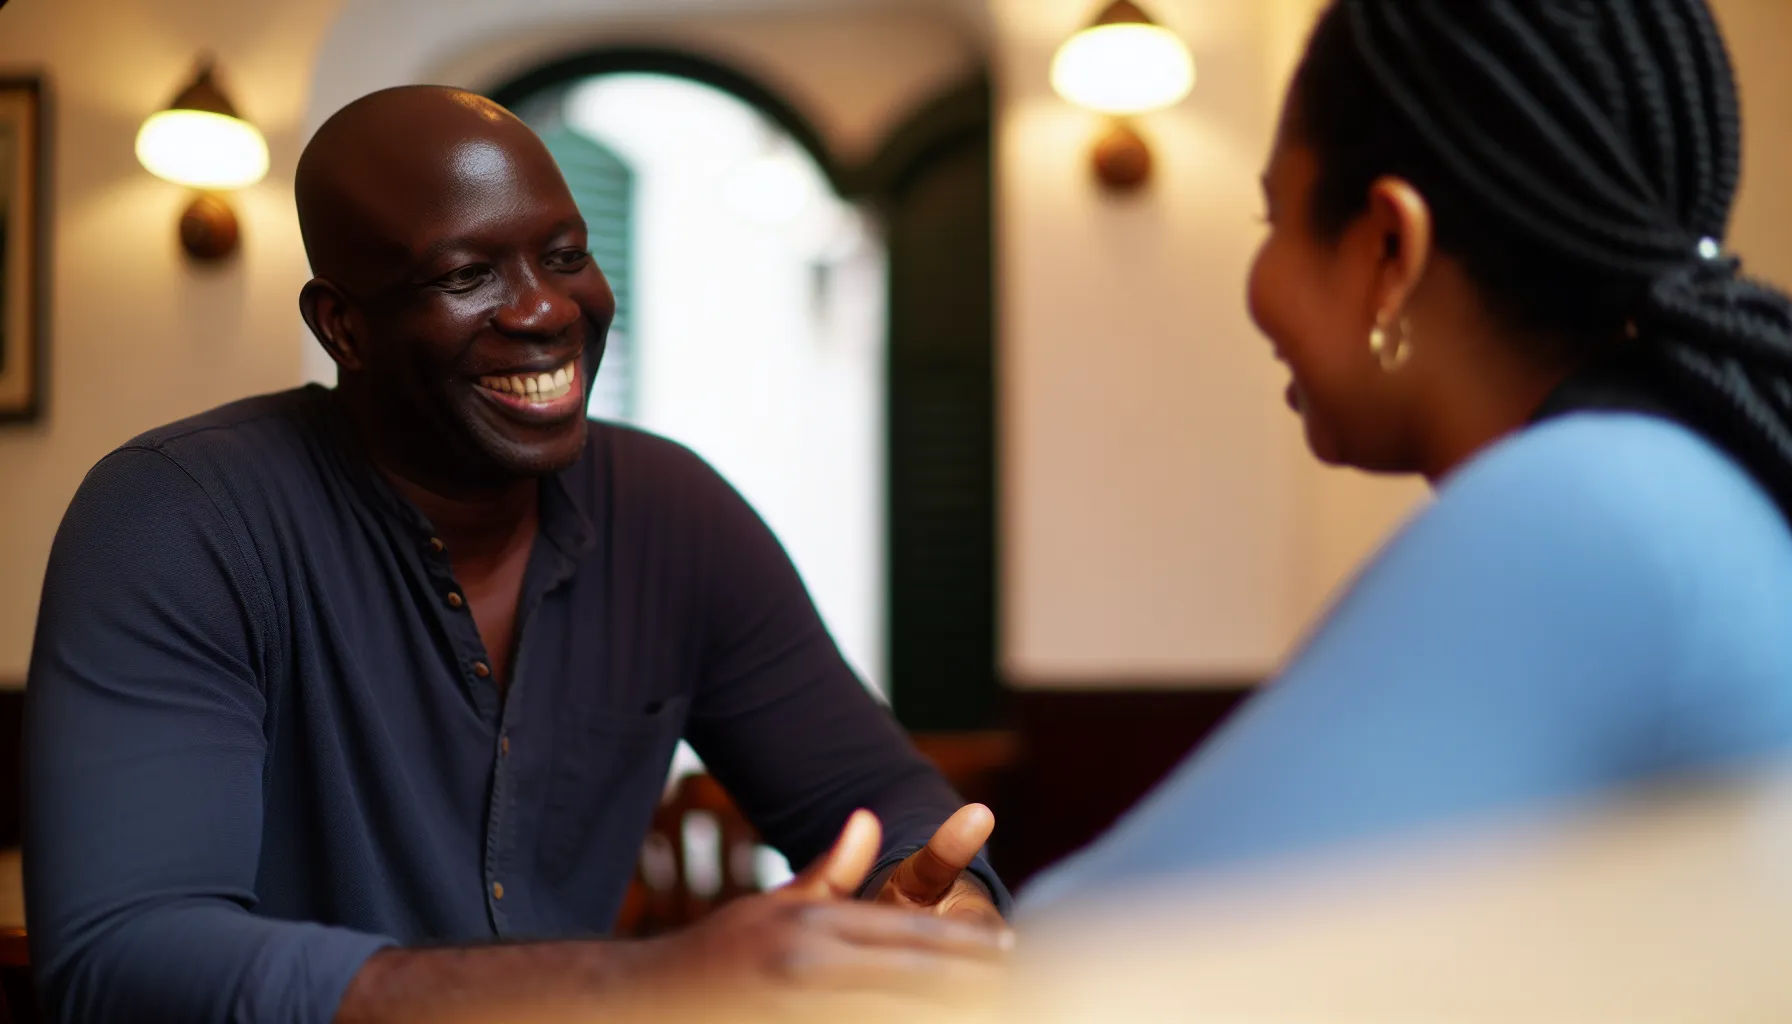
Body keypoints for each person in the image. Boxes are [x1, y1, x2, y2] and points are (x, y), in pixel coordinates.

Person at [24, 86, 1009, 1023]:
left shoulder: (672, 512)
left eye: (566, 253)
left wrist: (944, 904)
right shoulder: (177, 518)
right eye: (466, 275)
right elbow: (128, 957)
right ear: (343, 327)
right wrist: (640, 984)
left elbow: (880, 798)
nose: (544, 309)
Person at [1022, 0, 1792, 912]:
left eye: (1273, 219)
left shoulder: (1585, 508)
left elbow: (1100, 951)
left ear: (1391, 245)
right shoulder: (1690, 466)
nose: (1258, 286)